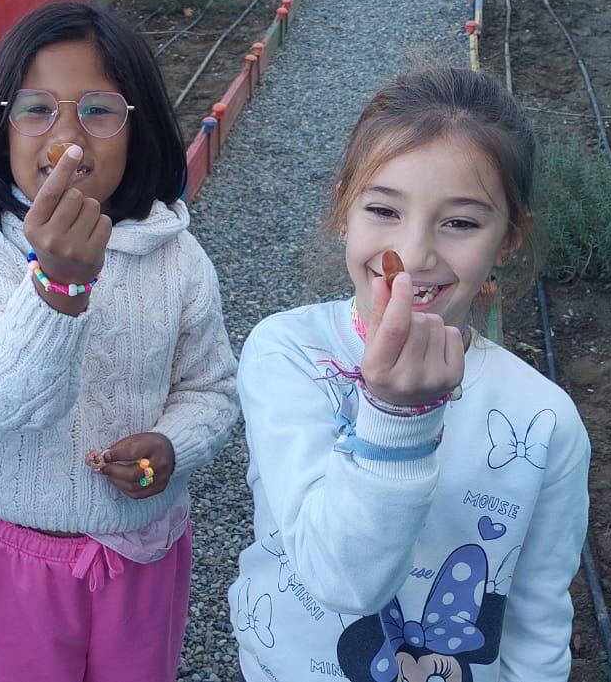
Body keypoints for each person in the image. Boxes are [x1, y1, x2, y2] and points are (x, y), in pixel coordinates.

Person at [0, 2, 240, 681]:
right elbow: (3, 399)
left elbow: (211, 388)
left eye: (99, 111)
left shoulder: (176, 257)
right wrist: (58, 287)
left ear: (139, 128)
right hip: (15, 558)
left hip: (143, 551)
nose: (67, 140)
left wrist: (172, 446)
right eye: (36, 109)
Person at [230, 67, 590, 682]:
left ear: (509, 239)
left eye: (461, 222)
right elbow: (342, 580)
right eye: (382, 209)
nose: (415, 253)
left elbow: (538, 618)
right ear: (344, 208)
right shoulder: (288, 355)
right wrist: (397, 419)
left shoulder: (542, 419)